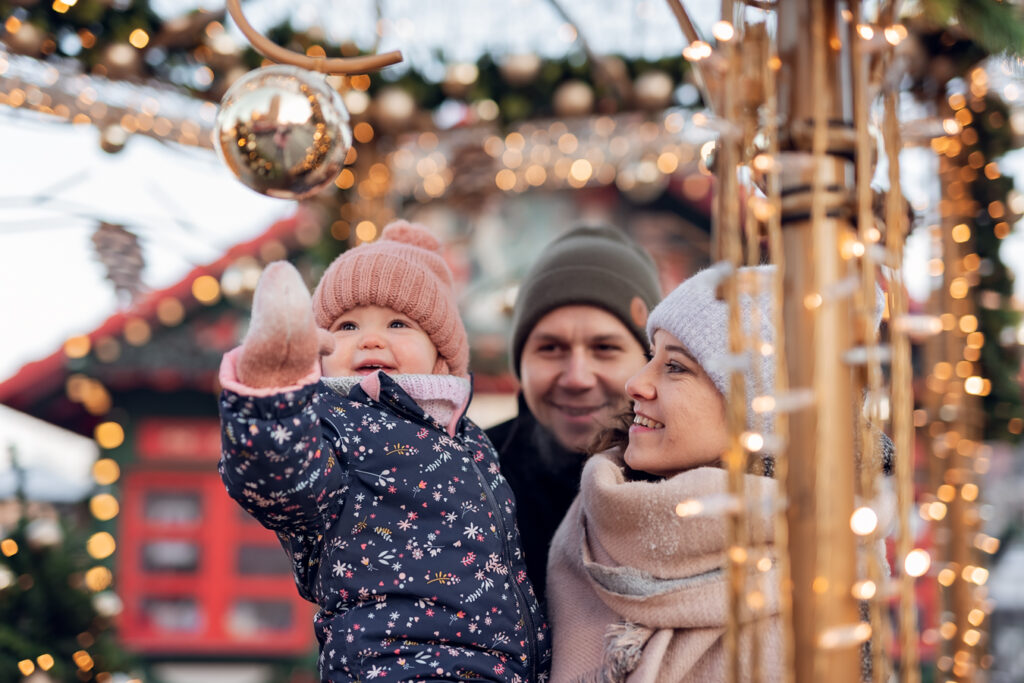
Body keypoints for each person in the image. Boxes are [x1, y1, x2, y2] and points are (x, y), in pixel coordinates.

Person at [218, 221, 550, 682]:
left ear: (442, 356)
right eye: (347, 326)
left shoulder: (471, 441)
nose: (370, 339)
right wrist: (272, 397)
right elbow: (281, 480)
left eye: (398, 324)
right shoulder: (330, 425)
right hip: (391, 666)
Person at [547, 265, 784, 682]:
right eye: (650, 357)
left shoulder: (814, 569)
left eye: (675, 366)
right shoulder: (593, 515)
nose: (635, 384)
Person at [485, 225, 662, 605]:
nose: (577, 378)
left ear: (649, 362)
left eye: (605, 348)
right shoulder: (467, 475)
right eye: (550, 348)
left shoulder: (690, 483)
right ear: (520, 363)